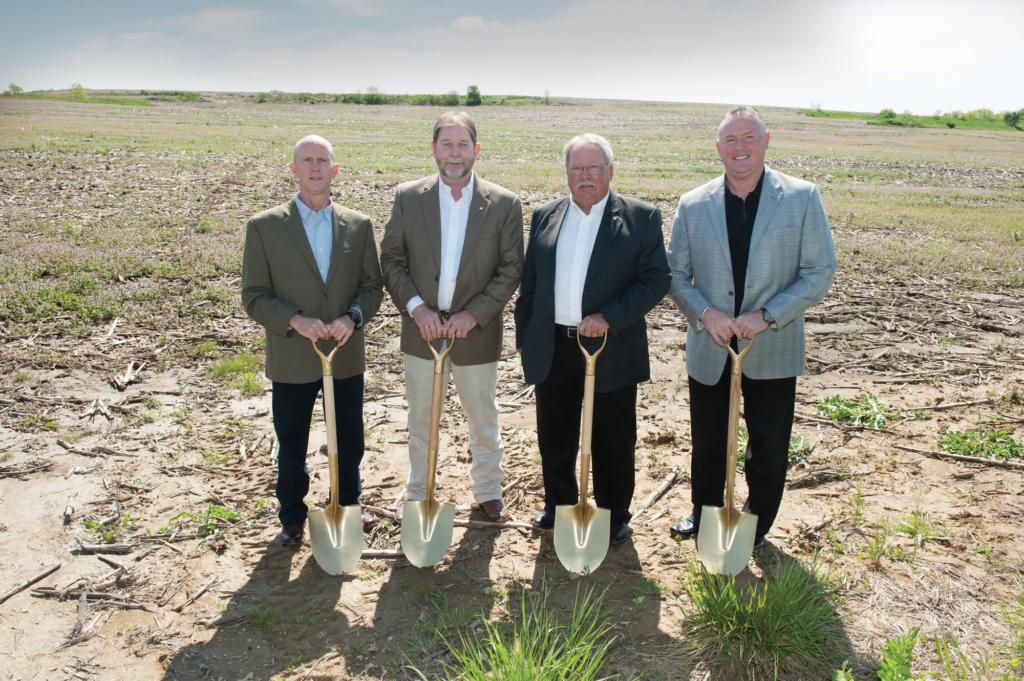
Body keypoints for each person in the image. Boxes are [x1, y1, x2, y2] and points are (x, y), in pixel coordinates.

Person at [667, 106, 837, 550]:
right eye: (731, 140)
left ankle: (756, 526)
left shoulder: (801, 197)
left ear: (766, 141)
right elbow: (674, 276)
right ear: (718, 148)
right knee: (707, 440)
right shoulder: (693, 202)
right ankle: (705, 516)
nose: (739, 147)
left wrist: (766, 316)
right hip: (712, 344)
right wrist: (706, 313)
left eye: (749, 138)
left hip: (773, 343)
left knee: (767, 443)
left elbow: (819, 272)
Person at [514, 133, 670, 545]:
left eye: (593, 167)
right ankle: (559, 504)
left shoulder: (641, 217)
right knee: (555, 435)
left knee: (612, 436)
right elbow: (529, 284)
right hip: (553, 344)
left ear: (610, 171)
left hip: (610, 347)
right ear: (567, 173)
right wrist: (524, 335)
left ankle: (614, 512)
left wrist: (609, 317)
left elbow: (656, 280)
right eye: (577, 168)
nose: (585, 176)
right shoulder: (546, 215)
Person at [380, 112, 524, 523]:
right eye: (447, 144)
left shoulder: (504, 203)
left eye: (463, 145)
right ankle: (419, 492)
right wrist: (417, 309)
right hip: (421, 332)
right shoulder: (408, 197)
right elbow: (391, 260)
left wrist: (473, 315)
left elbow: (511, 268)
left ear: (476, 150)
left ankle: (487, 491)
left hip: (475, 335)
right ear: (433, 150)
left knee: (483, 416)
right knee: (421, 418)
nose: (455, 153)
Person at [241, 135, 384, 547]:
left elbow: (371, 287)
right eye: (307, 160)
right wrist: (294, 321)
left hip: (344, 355)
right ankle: (292, 517)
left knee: (349, 440)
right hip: (292, 357)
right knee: (292, 443)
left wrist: (353, 318)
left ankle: (347, 507)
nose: (316, 167)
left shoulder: (358, 226)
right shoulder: (264, 226)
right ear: (294, 169)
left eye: (323, 160)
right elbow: (253, 295)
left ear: (335, 170)